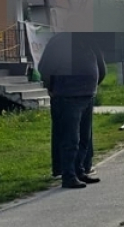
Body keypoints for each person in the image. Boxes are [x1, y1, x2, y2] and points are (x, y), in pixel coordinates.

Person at [38, 31, 106, 189]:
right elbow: (45, 68)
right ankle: (68, 175)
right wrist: (51, 86)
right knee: (70, 139)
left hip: (87, 95)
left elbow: (101, 66)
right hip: (67, 95)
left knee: (84, 138)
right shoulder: (59, 41)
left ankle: (79, 170)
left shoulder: (89, 40)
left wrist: (93, 85)